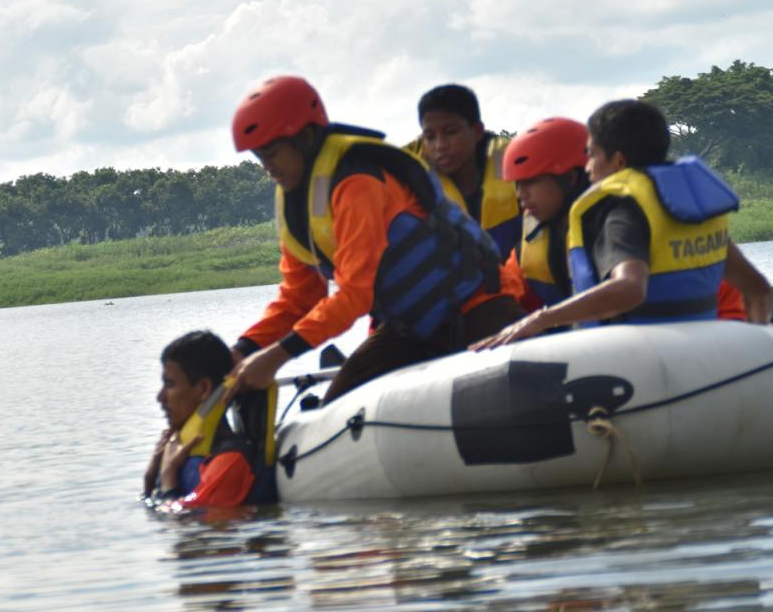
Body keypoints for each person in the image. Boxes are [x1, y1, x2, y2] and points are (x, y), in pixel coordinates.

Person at [225, 75, 524, 404]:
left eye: (272, 153)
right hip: (411, 326)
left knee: (495, 402)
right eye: (259, 157)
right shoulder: (297, 209)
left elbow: (356, 294)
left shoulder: (357, 182)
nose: (267, 167)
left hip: (478, 303)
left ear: (306, 138)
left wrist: (278, 355)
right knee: (338, 406)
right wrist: (245, 349)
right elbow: (298, 299)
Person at [474, 99, 773, 349]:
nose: (588, 166)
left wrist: (540, 319)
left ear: (617, 162)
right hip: (712, 351)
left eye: (591, 155)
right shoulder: (690, 209)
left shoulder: (619, 212)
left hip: (642, 358)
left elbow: (630, 288)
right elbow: (759, 290)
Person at [143, 330, 273, 508]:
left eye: (170, 384)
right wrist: (150, 478)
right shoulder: (177, 453)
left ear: (203, 389)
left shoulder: (231, 460)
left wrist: (168, 475)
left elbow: (197, 524)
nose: (160, 397)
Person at [404, 84, 522, 260]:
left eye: (451, 132)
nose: (440, 145)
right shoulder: (407, 177)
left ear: (477, 131)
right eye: (430, 137)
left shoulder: (518, 166)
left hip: (517, 281)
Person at [498, 117, 591, 313]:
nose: (520, 194)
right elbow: (508, 303)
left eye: (531, 182)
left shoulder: (613, 226)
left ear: (570, 178)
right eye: (518, 184)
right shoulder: (529, 244)